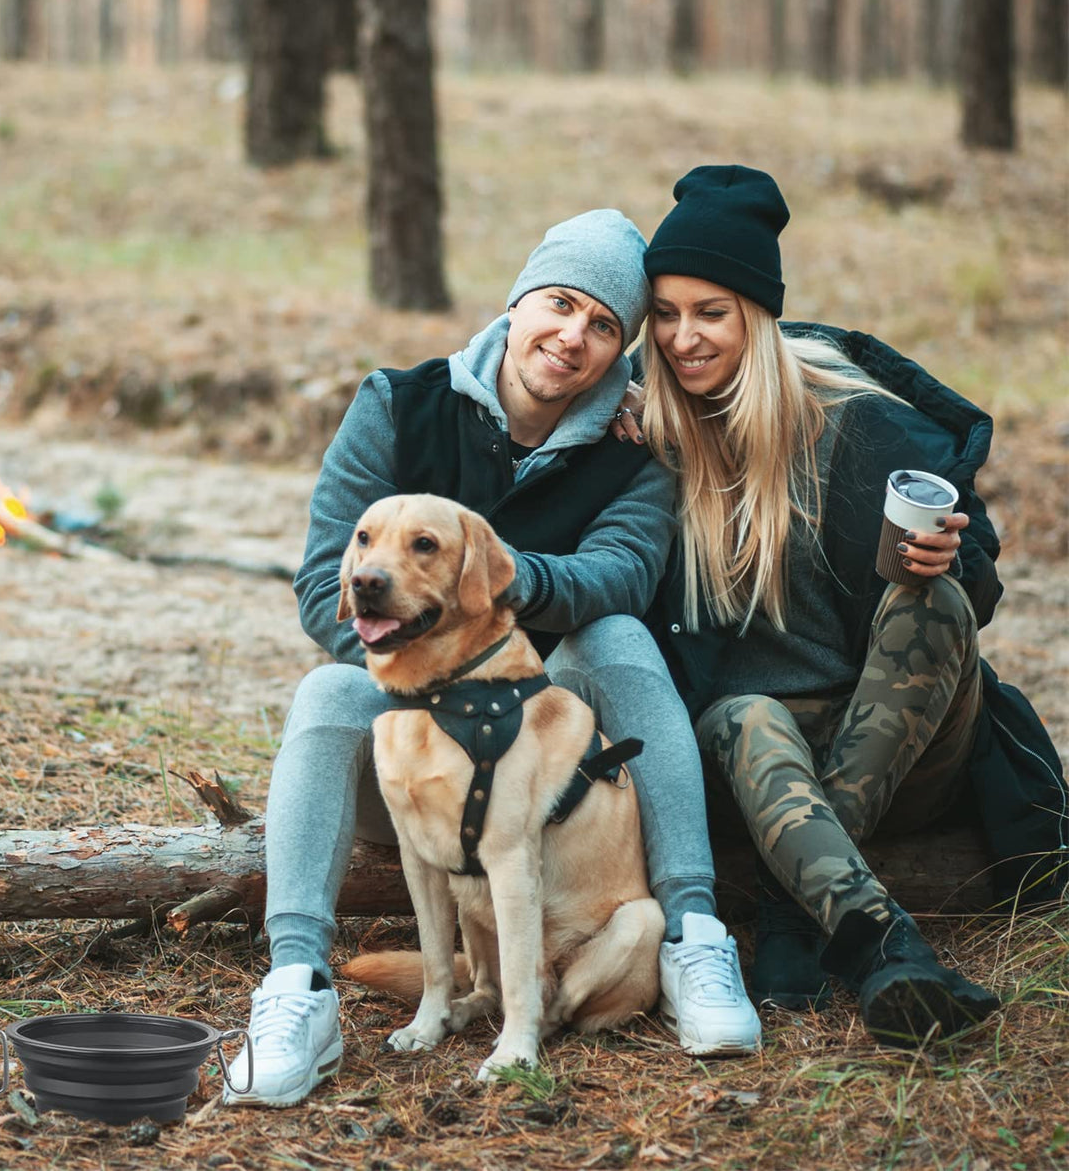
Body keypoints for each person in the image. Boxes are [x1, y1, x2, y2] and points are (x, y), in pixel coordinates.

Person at [223, 210, 761, 1109]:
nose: (571, 338)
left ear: (623, 353)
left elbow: (620, 576)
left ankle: (693, 937)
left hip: (554, 784)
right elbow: (328, 586)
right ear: (517, 302)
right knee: (326, 690)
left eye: (604, 327)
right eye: (559, 303)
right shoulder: (398, 403)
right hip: (416, 770)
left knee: (620, 637)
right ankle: (297, 987)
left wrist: (482, 572)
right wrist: (436, 644)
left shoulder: (637, 452)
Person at [638, 164, 1068, 1047]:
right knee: (746, 712)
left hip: (900, 749)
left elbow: (974, 565)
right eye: (667, 313)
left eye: (710, 312)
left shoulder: (850, 418)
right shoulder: (647, 439)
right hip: (756, 763)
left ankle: (797, 911)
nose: (684, 338)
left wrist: (953, 555)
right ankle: (882, 947)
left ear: (756, 314)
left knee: (934, 602)